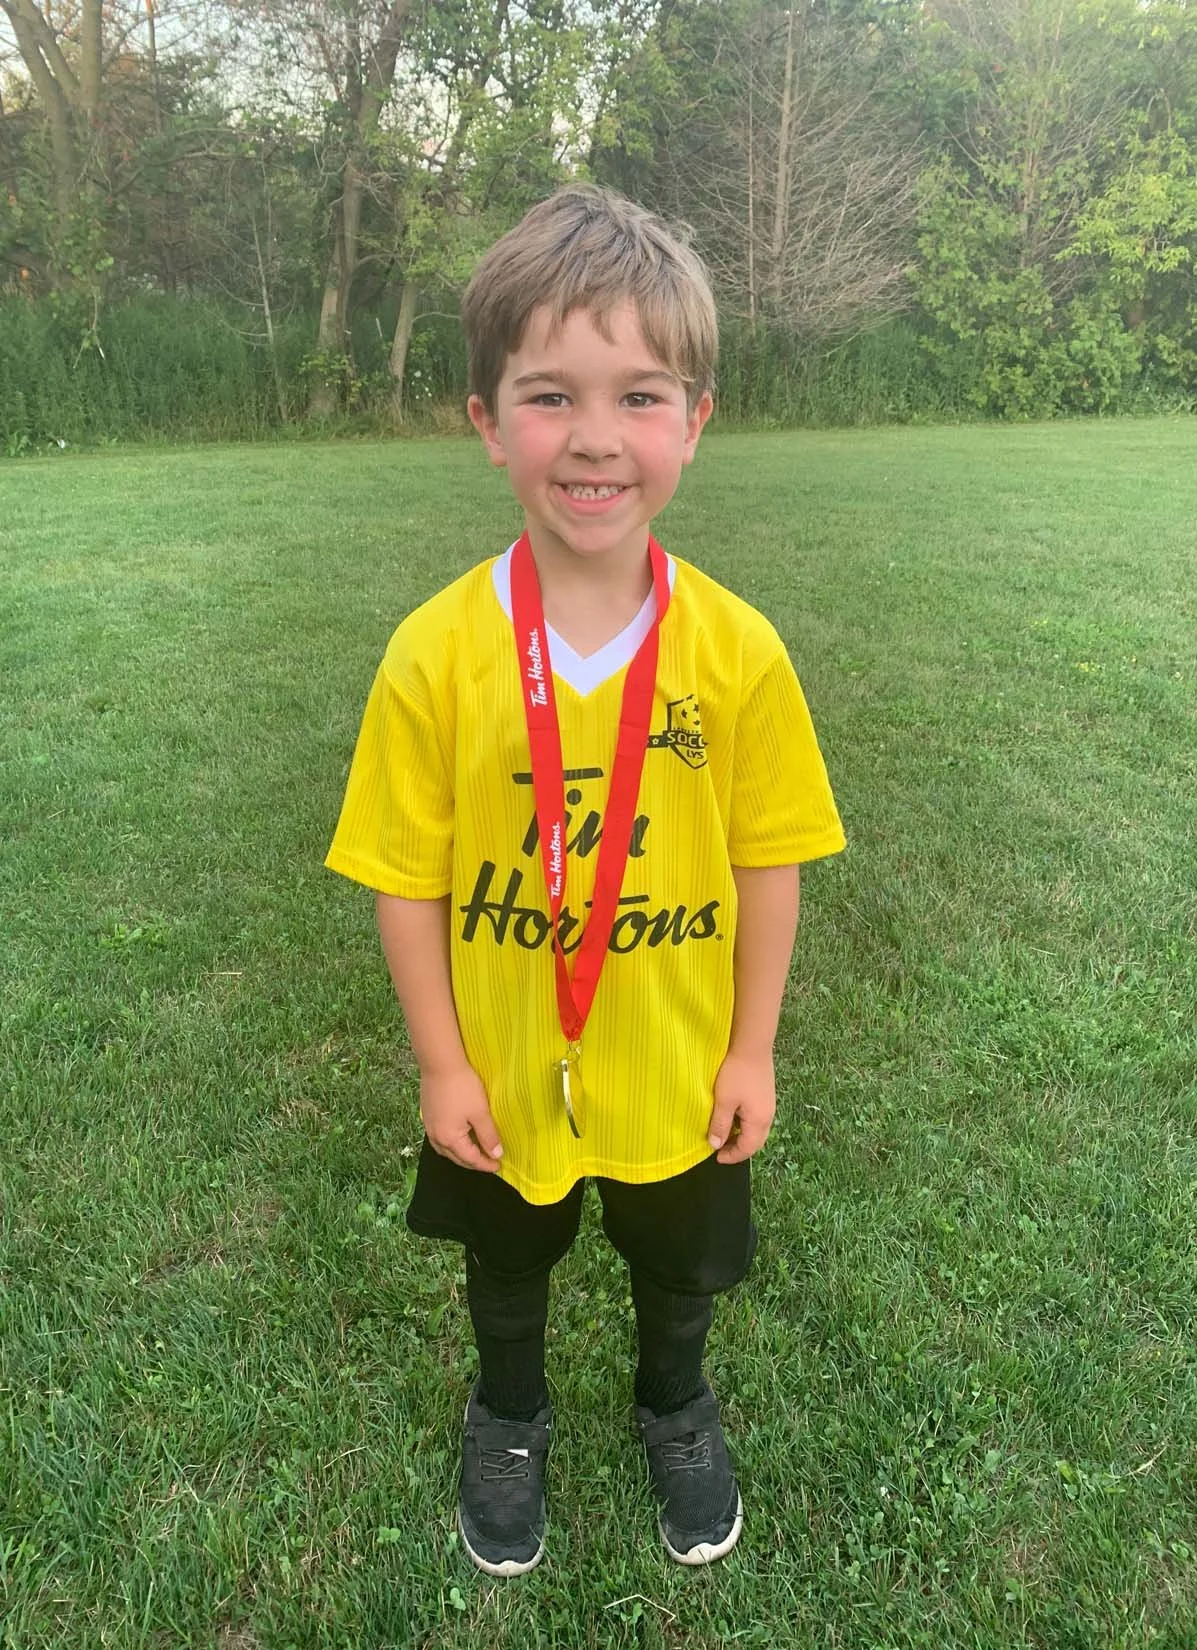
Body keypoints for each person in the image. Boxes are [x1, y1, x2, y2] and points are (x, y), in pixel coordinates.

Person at [325, 185, 846, 1577]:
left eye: (640, 395)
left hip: (678, 1066)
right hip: (501, 1064)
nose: (597, 438)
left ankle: (674, 1401)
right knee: (507, 1261)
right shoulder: (434, 652)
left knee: (680, 1264)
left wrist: (752, 1045)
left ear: (696, 416)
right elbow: (403, 882)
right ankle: (509, 1409)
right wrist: (440, 1068)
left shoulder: (738, 652)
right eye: (550, 395)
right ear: (487, 419)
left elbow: (769, 858)